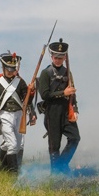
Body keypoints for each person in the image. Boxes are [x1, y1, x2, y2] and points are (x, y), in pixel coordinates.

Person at [0, 52, 36, 173]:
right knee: (12, 144)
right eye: (8, 69)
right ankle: (14, 172)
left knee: (17, 145)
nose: (10, 71)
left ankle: (3, 166)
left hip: (19, 114)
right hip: (4, 115)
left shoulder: (20, 82)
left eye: (12, 69)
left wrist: (32, 92)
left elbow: (27, 100)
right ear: (3, 67)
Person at [37, 39, 79, 175]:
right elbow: (45, 95)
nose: (58, 60)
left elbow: (72, 93)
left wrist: (75, 109)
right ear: (51, 56)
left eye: (61, 57)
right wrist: (63, 93)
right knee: (54, 146)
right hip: (52, 111)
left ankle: (61, 165)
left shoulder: (68, 72)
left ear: (65, 57)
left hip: (66, 111)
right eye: (56, 57)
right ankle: (56, 175)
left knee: (75, 138)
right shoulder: (46, 73)